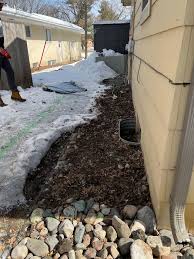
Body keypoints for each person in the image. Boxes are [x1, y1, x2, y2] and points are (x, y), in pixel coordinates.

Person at [0, 0, 26, 107]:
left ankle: (15, 94)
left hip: (1, 49)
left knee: (10, 71)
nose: (2, 6)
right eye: (1, 4)